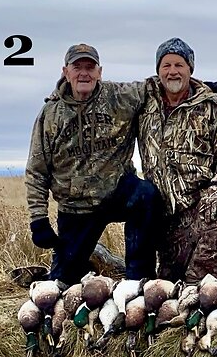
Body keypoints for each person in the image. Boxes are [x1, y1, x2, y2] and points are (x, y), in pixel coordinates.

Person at [24, 43, 157, 284]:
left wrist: (201, 89)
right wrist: (38, 219)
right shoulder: (51, 115)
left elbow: (160, 84)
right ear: (66, 72)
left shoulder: (119, 96)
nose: (84, 73)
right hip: (76, 208)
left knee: (146, 195)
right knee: (62, 283)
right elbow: (36, 171)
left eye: (90, 67)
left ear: (100, 72)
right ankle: (80, 267)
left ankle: (139, 281)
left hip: (117, 192)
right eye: (77, 67)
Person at [138, 38, 217, 282]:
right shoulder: (143, 100)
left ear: (191, 69)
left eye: (179, 64)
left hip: (199, 204)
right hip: (161, 212)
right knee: (165, 282)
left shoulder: (212, 107)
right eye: (166, 65)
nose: (173, 71)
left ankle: (198, 284)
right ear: (158, 70)